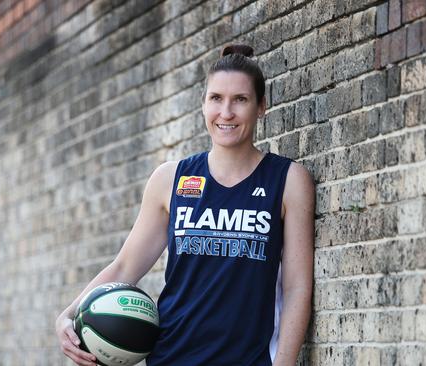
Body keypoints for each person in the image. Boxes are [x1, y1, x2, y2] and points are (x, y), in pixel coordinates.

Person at [55, 44, 314, 366]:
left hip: (248, 359)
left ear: (261, 106)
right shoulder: (170, 179)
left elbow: (297, 287)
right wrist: (67, 315)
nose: (227, 112)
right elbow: (124, 267)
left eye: (241, 100)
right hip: (172, 356)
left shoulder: (288, 180)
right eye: (216, 98)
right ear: (203, 105)